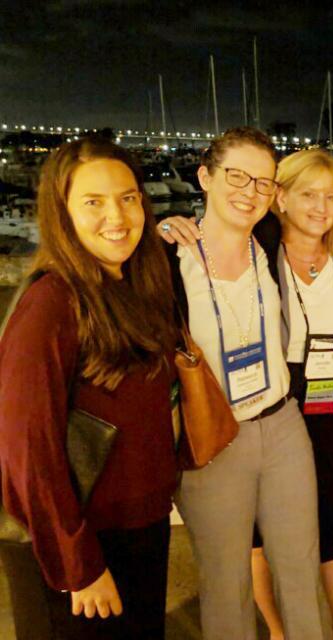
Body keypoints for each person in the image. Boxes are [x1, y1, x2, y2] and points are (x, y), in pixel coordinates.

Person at [0, 137, 180, 639]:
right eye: (93, 203)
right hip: (86, 546)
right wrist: (79, 565)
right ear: (62, 214)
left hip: (141, 528)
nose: (116, 217)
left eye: (127, 197)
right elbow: (26, 452)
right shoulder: (50, 306)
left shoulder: (131, 289)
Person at [165, 127, 324, 639]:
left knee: (301, 569)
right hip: (214, 439)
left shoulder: (271, 240)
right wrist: (162, 226)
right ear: (205, 176)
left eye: (262, 182)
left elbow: (325, 227)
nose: (249, 192)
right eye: (237, 176)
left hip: (281, 428)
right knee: (225, 580)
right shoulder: (168, 260)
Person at [249, 149, 333, 640]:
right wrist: (175, 225)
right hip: (273, 404)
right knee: (263, 529)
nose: (322, 207)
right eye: (309, 194)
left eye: (332, 196)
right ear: (281, 197)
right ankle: (278, 631)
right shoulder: (256, 255)